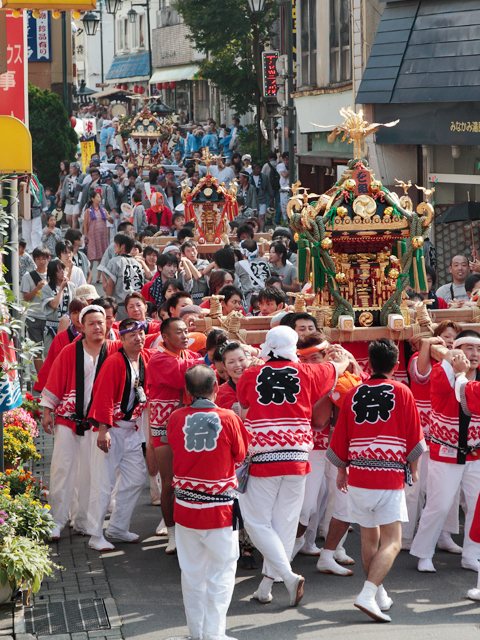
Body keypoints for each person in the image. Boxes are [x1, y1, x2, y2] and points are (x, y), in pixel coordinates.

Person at [237, 325, 349, 606]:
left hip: (263, 457)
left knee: (257, 521)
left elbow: (244, 401)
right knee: (284, 523)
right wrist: (343, 356)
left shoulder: (251, 374)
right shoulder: (309, 372)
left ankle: (286, 576)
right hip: (298, 457)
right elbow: (337, 367)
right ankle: (266, 586)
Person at [328, 339, 426, 623]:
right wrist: (415, 469)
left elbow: (342, 434)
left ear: (369, 364)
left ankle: (378, 593)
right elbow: (414, 437)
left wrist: (341, 470)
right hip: (388, 475)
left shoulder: (354, 392)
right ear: (396, 365)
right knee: (393, 542)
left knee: (370, 538)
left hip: (358, 475)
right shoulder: (402, 391)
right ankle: (369, 593)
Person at [165, 365, 249, 640]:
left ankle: (197, 633)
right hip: (220, 511)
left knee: (191, 573)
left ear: (187, 392)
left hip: (186, 510)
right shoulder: (228, 418)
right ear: (216, 387)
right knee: (221, 574)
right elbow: (241, 454)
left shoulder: (176, 417)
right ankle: (214, 634)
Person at [40, 305, 118, 540]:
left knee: (90, 473)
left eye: (100, 322)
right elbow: (54, 382)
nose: (97, 327)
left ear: (108, 324)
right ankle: (56, 521)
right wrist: (46, 412)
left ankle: (83, 520)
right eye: (92, 323)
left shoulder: (114, 350)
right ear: (82, 327)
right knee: (62, 470)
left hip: (97, 422)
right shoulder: (69, 351)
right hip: (68, 419)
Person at [410, 330, 480, 572]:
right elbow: (462, 395)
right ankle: (423, 552)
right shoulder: (443, 372)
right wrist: (454, 367)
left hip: (476, 454)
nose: (474, 354)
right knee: (439, 504)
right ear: (457, 350)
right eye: (468, 348)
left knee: (475, 507)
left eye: (478, 349)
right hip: (447, 450)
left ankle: (472, 555)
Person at [87, 319, 151, 552]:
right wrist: (103, 430)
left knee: (136, 477)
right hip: (112, 429)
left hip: (131, 429)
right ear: (121, 339)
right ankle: (95, 534)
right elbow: (103, 396)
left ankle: (117, 527)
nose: (138, 338)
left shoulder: (143, 359)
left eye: (141, 333)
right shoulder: (114, 362)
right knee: (104, 482)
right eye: (131, 335)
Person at [146, 318, 203, 553]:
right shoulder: (159, 359)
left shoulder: (188, 357)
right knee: (170, 482)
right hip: (164, 427)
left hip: (189, 427)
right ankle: (171, 532)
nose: (184, 335)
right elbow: (189, 376)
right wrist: (209, 359)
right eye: (178, 332)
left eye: (186, 331)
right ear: (165, 337)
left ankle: (189, 530)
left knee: (191, 480)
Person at [21, 247, 50, 371]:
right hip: (33, 317)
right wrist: (37, 289)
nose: (41, 261)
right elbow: (26, 297)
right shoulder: (28, 276)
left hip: (50, 317)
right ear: (34, 260)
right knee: (37, 350)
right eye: (38, 258)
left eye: (44, 258)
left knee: (50, 350)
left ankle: (50, 378)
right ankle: (41, 378)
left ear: (48, 259)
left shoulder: (53, 275)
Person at [103, 234, 145, 316]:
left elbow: (110, 284)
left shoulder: (114, 261)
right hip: (138, 304)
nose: (114, 246)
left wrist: (108, 301)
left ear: (122, 246)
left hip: (121, 306)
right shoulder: (137, 263)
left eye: (116, 244)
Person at [41, 258, 77, 355]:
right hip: (52, 327)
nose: (62, 272)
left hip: (68, 326)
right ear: (53, 273)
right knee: (51, 355)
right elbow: (54, 305)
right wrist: (61, 289)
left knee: (68, 355)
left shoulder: (71, 286)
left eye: (63, 269)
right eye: (59, 270)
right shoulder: (46, 289)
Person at [83, 189, 112, 281]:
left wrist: (109, 218)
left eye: (100, 197)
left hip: (102, 236)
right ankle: (89, 277)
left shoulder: (103, 210)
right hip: (92, 236)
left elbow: (111, 221)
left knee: (102, 258)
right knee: (91, 258)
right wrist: (85, 236)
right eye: (97, 197)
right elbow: (85, 225)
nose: (99, 198)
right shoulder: (88, 211)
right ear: (92, 198)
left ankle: (98, 278)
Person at [61, 162, 84, 229]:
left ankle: (73, 233)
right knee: (68, 218)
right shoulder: (67, 177)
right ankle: (74, 229)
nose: (70, 169)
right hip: (68, 200)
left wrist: (74, 182)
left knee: (74, 217)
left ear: (77, 169)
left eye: (72, 168)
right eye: (70, 168)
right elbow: (63, 188)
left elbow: (82, 187)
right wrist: (62, 199)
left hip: (77, 200)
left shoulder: (82, 176)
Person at [276, 152, 290, 224]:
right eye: (285, 159)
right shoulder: (280, 166)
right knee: (284, 209)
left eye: (288, 159)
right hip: (284, 190)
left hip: (292, 189)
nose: (286, 161)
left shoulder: (293, 164)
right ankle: (285, 223)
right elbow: (284, 174)